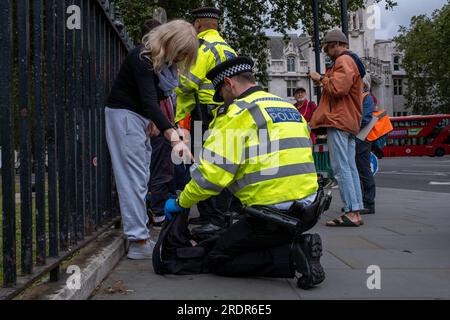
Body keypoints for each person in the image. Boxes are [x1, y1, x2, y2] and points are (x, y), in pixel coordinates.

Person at [161, 56, 325, 288]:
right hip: (309, 209)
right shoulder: (286, 106)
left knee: (219, 257)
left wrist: (181, 201)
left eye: (221, 93)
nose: (222, 101)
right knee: (231, 237)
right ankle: (294, 243)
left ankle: (293, 253)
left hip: (272, 216)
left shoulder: (237, 114)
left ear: (230, 83)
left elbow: (211, 176)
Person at [105, 20, 197, 259]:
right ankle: (138, 240)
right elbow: (148, 100)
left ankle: (140, 234)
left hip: (138, 117)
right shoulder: (142, 58)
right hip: (125, 116)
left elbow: (152, 99)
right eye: (180, 52)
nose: (181, 59)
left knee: (141, 177)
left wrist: (156, 122)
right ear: (170, 43)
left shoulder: (163, 64)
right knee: (133, 178)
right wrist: (174, 136)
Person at [175, 7, 238, 236]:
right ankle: (221, 214)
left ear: (199, 24)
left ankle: (214, 218)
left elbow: (188, 83)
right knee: (224, 162)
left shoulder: (202, 47)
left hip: (205, 112)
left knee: (205, 164)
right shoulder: (227, 48)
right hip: (226, 111)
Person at [309, 29, 366, 227]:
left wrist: (320, 78)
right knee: (350, 167)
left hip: (339, 120)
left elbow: (337, 89)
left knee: (341, 168)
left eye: (328, 48)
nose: (327, 52)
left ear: (335, 45)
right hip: (349, 121)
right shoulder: (351, 62)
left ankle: (351, 212)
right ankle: (356, 209)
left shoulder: (344, 61)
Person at [356, 74, 377, 214]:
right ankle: (360, 201)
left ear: (364, 84)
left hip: (362, 138)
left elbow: (366, 118)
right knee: (358, 170)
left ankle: (369, 203)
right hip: (357, 137)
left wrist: (349, 126)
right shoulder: (359, 97)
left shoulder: (367, 97)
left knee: (364, 170)